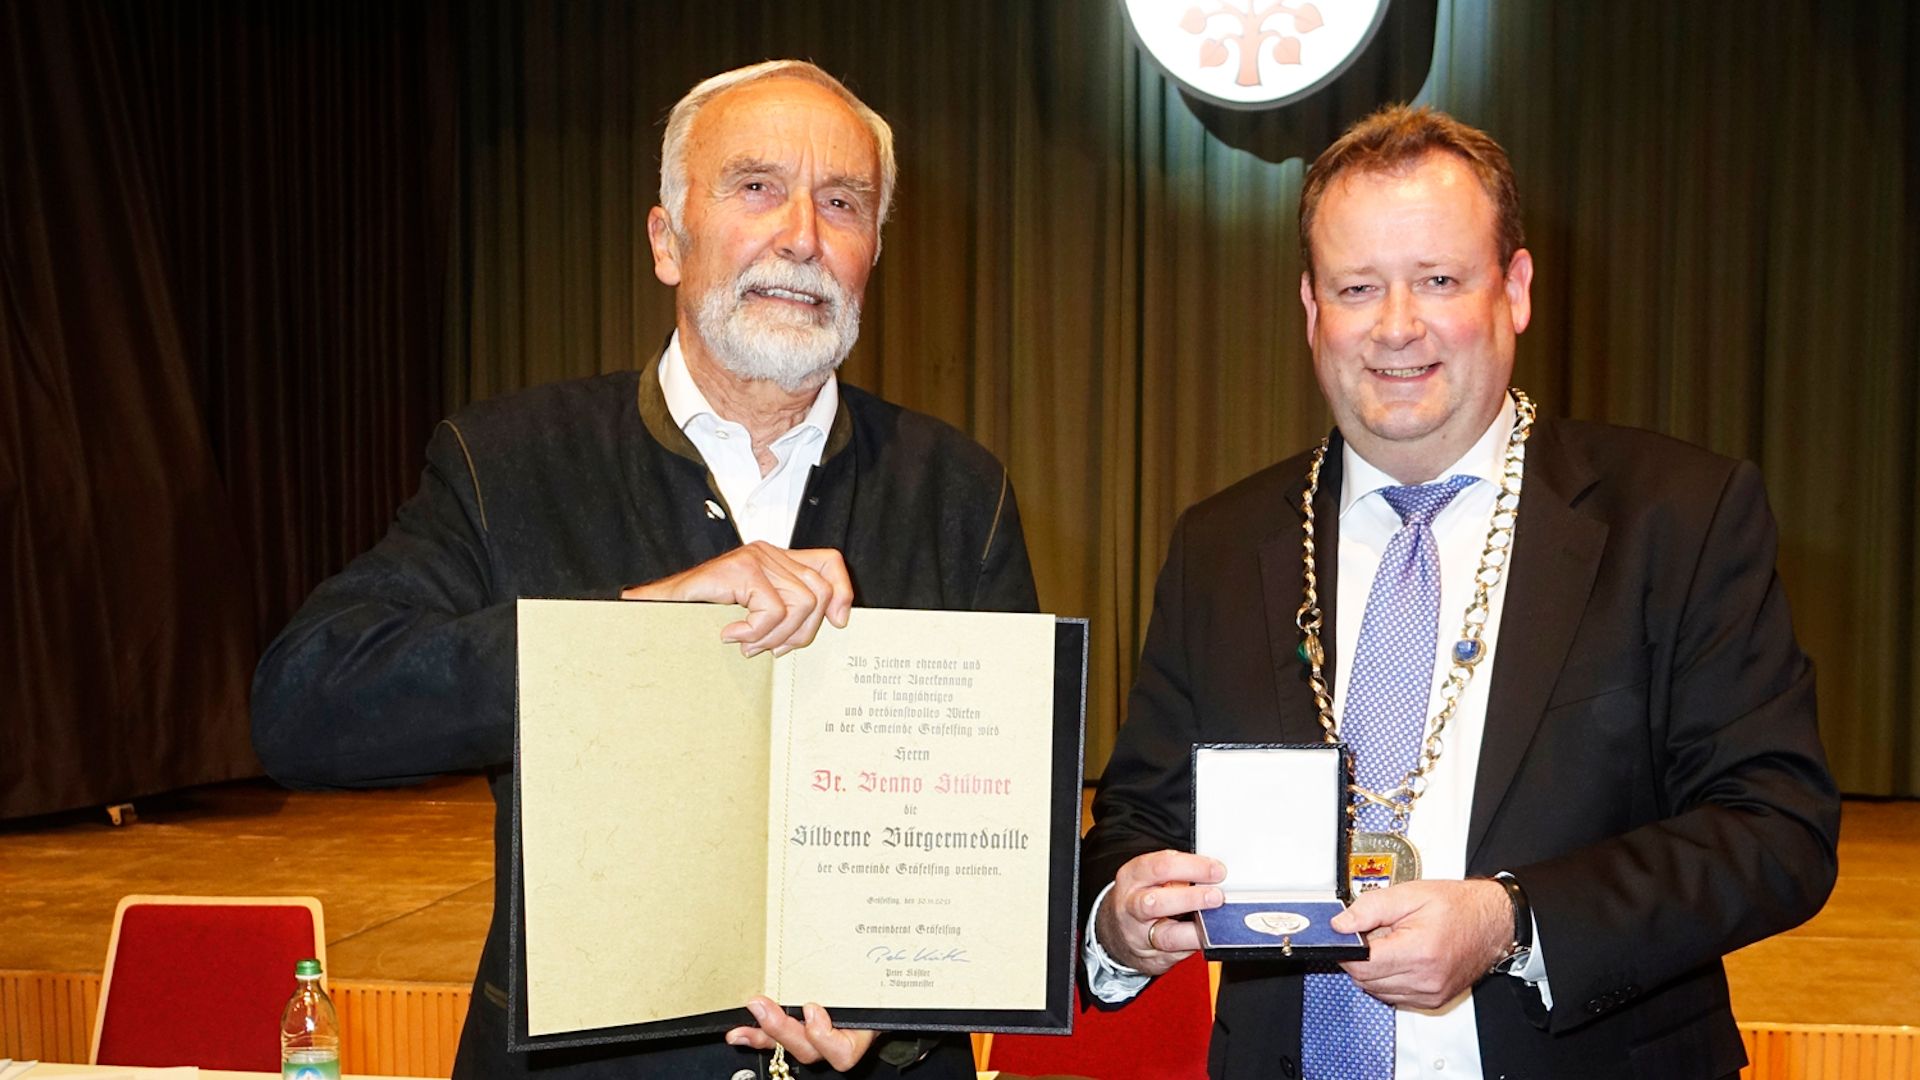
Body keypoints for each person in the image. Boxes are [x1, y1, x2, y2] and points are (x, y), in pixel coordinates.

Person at [252, 60, 1034, 1080]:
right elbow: (303, 703)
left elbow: (1007, 846)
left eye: (842, 203)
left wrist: (901, 1012)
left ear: (874, 251)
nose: (802, 233)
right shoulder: (508, 461)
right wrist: (621, 633)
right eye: (756, 187)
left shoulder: (959, 492)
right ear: (668, 240)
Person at [1079, 104, 1839, 1079]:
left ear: (1514, 290)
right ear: (1313, 310)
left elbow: (1777, 829)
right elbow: (1141, 820)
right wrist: (1120, 920)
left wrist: (1514, 922)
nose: (1398, 327)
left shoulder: (1678, 518)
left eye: (1438, 279)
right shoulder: (1221, 546)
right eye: (1359, 287)